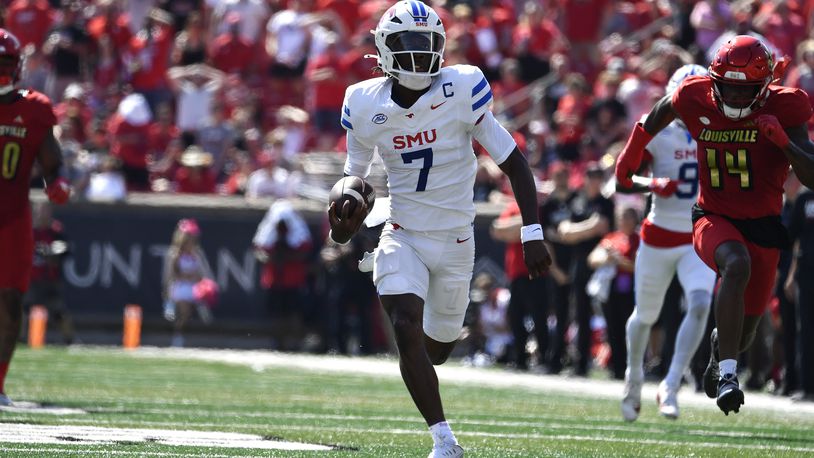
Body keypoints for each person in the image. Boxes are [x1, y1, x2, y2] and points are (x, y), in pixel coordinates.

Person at [327, 2, 552, 456]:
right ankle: (444, 440)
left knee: (436, 350)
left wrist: (532, 232)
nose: (418, 55)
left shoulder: (462, 88)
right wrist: (346, 206)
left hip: (456, 241)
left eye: (427, 44)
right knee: (405, 325)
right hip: (402, 232)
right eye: (408, 44)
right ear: (385, 49)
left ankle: (428, 380)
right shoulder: (364, 100)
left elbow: (515, 164)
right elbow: (356, 174)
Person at [614, 35, 814, 415]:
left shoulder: (786, 104)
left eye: (746, 91)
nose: (736, 98)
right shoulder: (695, 94)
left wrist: (785, 143)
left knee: (745, 333)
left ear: (763, 87)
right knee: (735, 265)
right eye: (728, 88)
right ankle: (728, 376)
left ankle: (721, 350)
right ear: (714, 80)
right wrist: (630, 155)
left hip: (765, 225)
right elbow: (653, 116)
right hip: (713, 216)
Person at [616, 64, 717, 421]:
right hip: (658, 234)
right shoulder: (656, 128)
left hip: (698, 235)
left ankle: (671, 384)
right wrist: (652, 184)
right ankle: (633, 377)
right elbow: (622, 180)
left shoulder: (718, 127)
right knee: (646, 315)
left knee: (702, 304)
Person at [0, 28, 71, 406]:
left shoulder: (35, 108)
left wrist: (57, 182)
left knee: (11, 302)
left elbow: (52, 162)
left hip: (11, 217)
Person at [162, 218, 213, 347]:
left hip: (194, 287)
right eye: (188, 237)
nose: (190, 241)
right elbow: (169, 277)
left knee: (202, 295)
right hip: (179, 287)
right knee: (184, 308)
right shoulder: (174, 255)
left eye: (192, 238)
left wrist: (196, 279)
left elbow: (204, 275)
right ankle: (177, 333)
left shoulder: (197, 254)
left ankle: (202, 308)